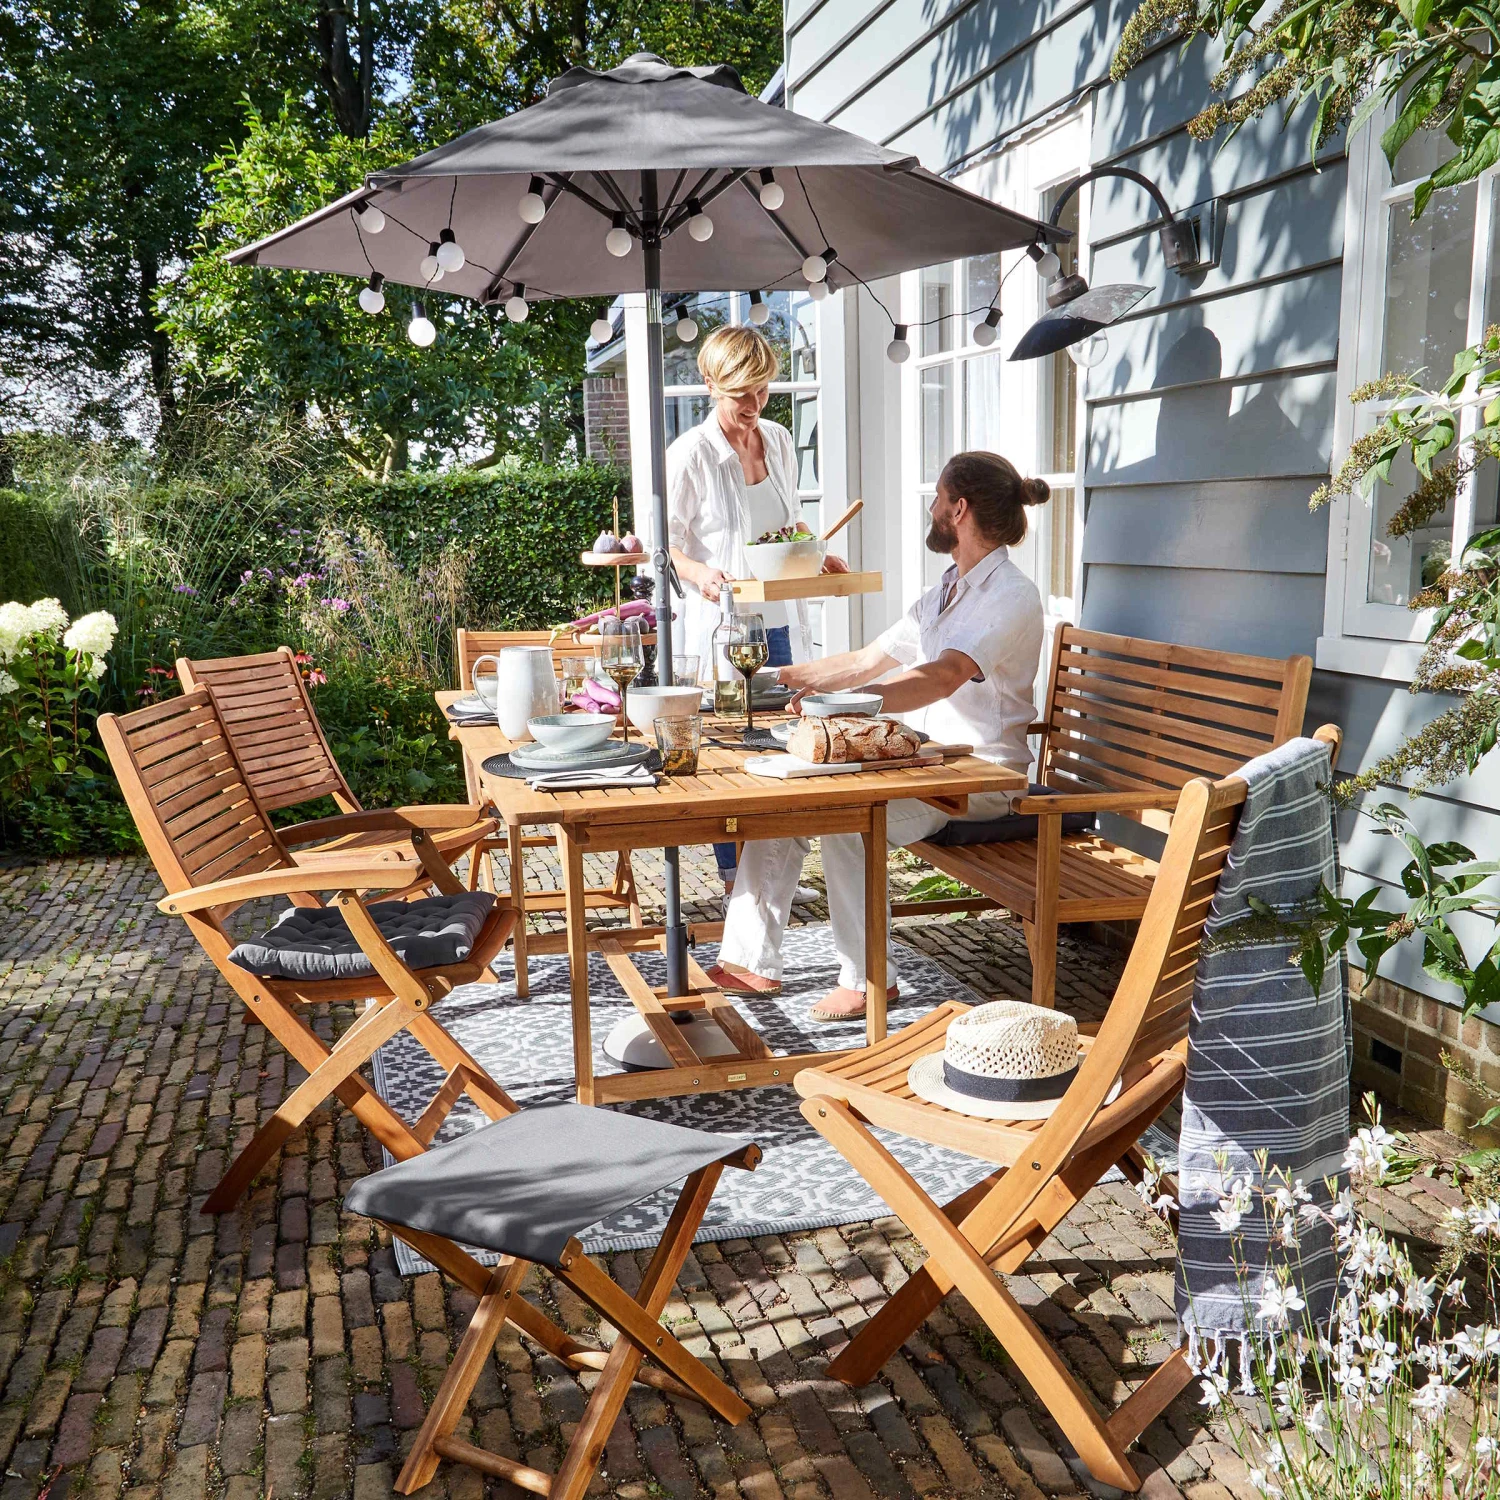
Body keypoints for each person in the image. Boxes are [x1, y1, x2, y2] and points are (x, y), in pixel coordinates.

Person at [707, 451, 1050, 1021]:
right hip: (927, 763)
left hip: (984, 777)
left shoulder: (1012, 595)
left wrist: (843, 707)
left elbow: (942, 677)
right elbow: (868, 660)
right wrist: (777, 679)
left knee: (851, 823)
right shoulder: (948, 589)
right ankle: (749, 961)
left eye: (939, 498)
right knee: (788, 803)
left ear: (958, 509)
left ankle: (869, 981)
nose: (933, 508)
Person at [665, 322, 847, 894]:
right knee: (730, 748)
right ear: (711, 384)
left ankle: (772, 869)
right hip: (725, 626)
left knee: (784, 739)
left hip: (782, 618)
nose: (754, 404)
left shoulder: (779, 440)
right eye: (742, 392)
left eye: (763, 389)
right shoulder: (690, 454)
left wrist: (814, 554)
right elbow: (663, 546)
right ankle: (732, 875)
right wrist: (702, 574)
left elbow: (785, 527)